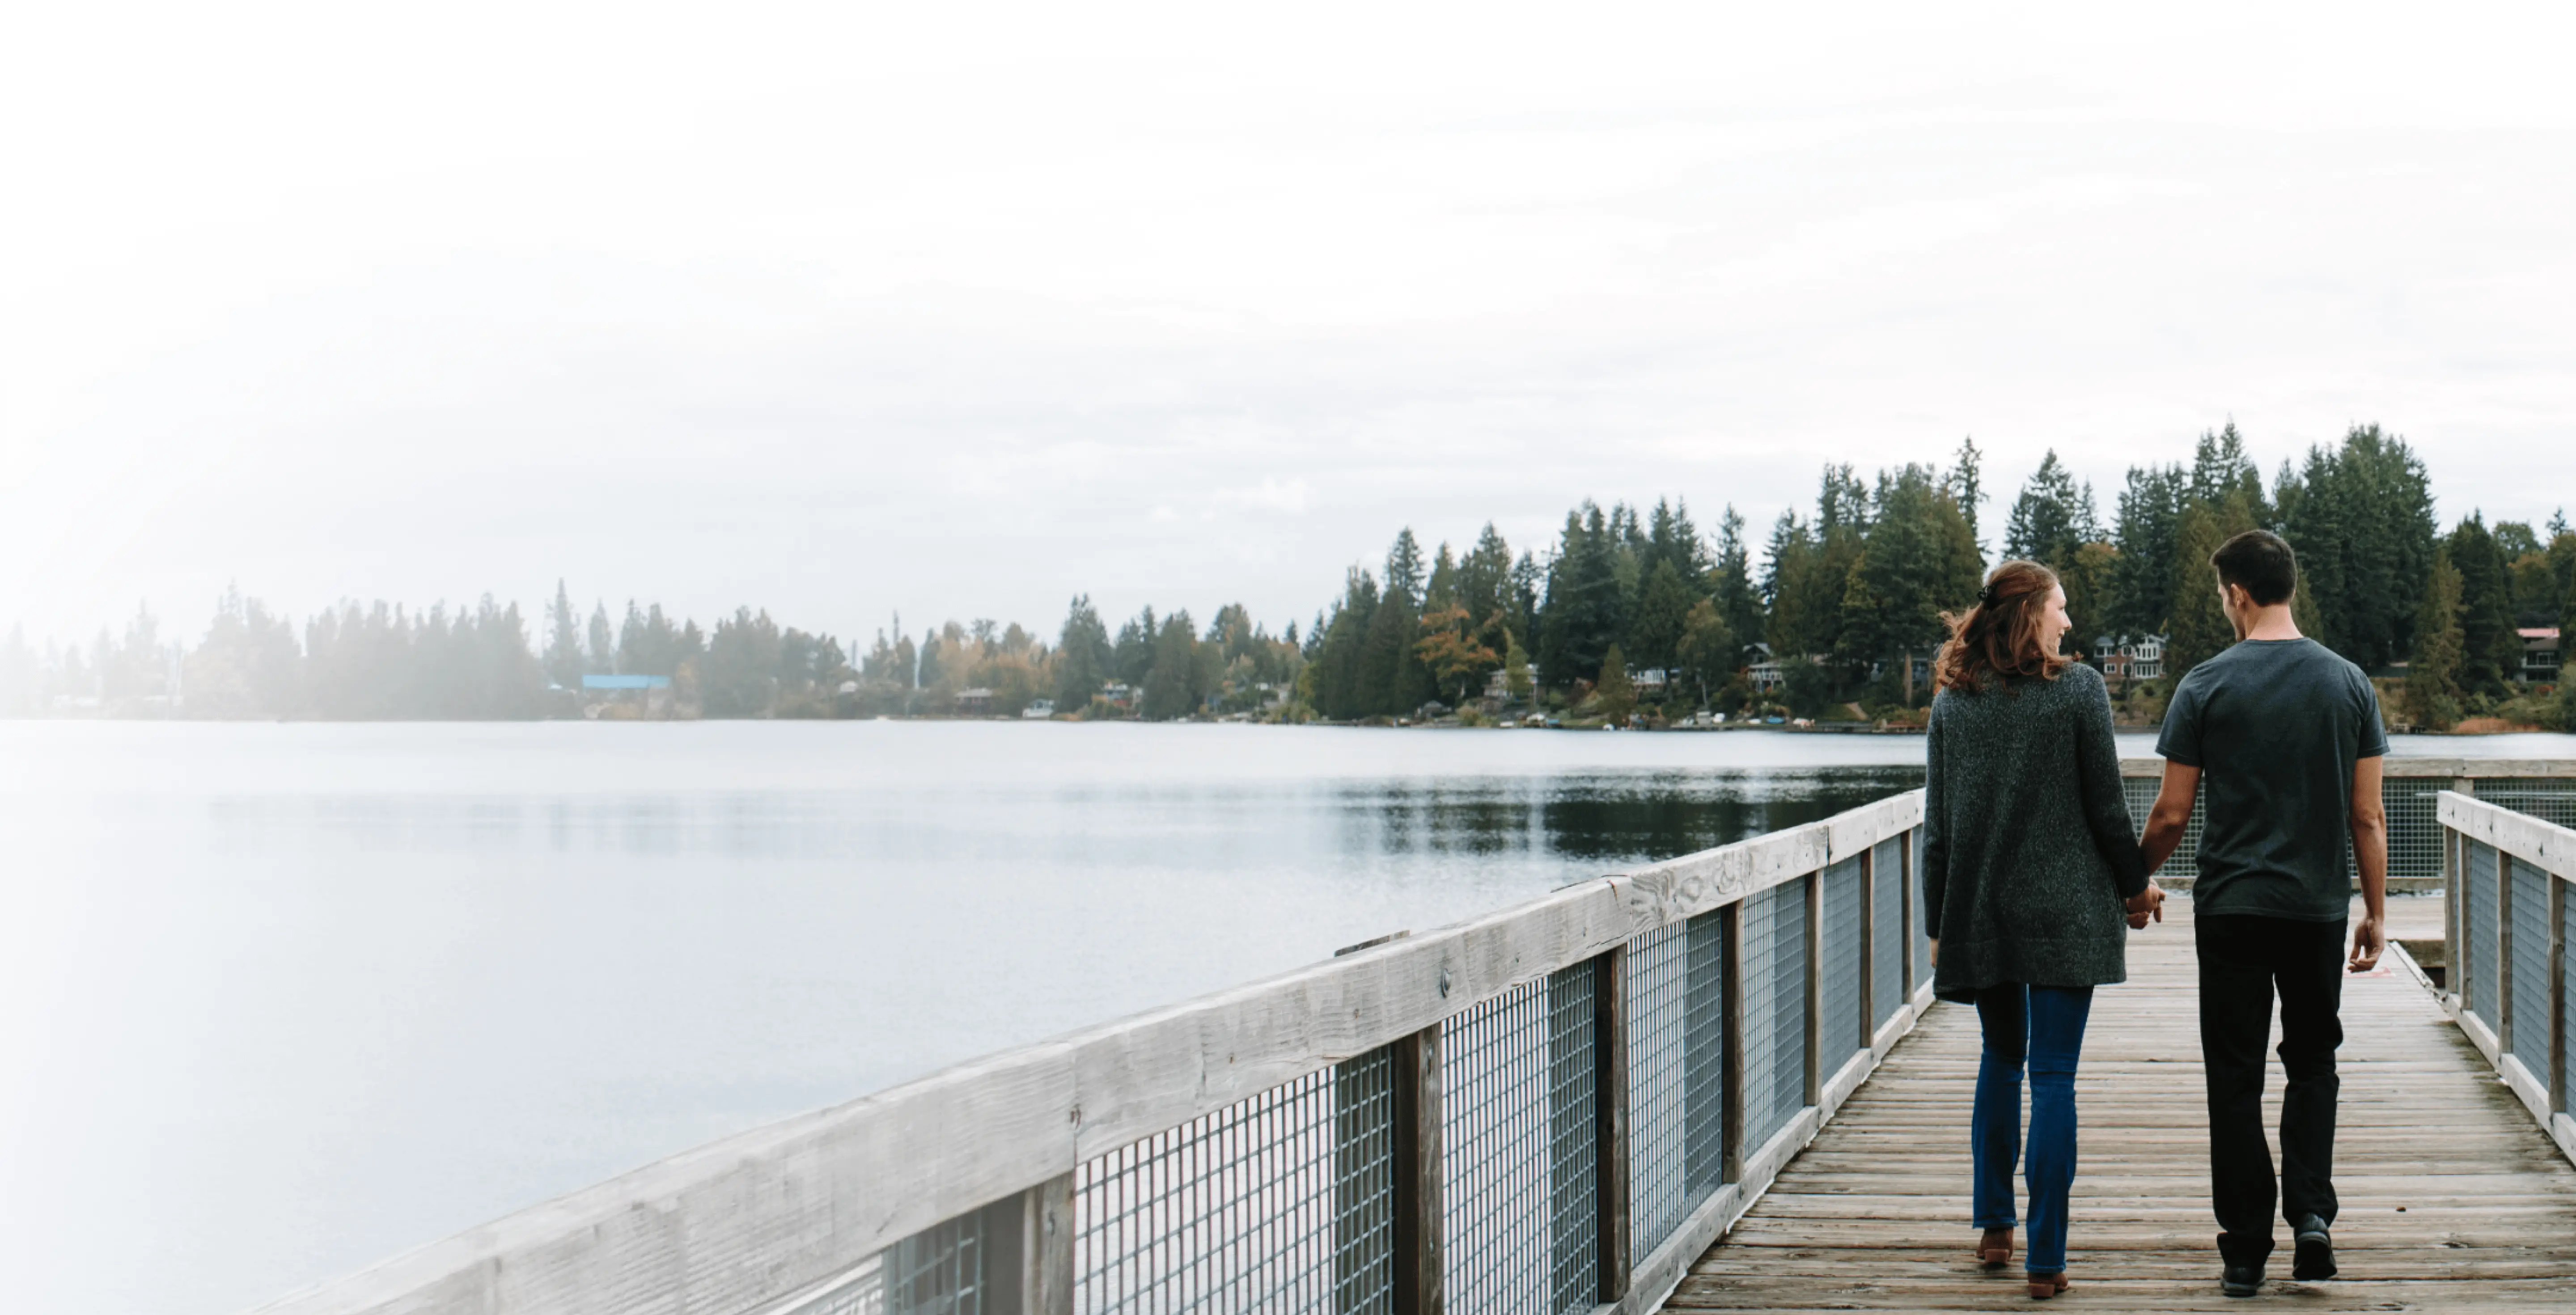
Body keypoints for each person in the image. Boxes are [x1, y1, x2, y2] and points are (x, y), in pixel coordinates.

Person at [2140, 528, 2388, 1298]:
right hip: (2315, 909)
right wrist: (2375, 911)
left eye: (2222, 595)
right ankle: (2311, 1219)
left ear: (2239, 593)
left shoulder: (2206, 684)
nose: (2224, 607)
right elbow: (2368, 816)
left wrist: (2130, 877)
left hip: (2232, 909)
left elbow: (2172, 815)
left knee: (2236, 1074)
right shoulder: (2349, 683)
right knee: (2314, 1062)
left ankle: (2245, 1249)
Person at [1922, 559, 2161, 1300]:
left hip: (1983, 909)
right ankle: (2046, 1260)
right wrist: (2136, 888)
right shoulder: (2079, 692)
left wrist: (1939, 924)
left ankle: (1995, 1227)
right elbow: (2107, 810)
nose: (2069, 623)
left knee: (2001, 1057)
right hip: (2065, 912)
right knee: (2052, 1076)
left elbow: (1939, 833)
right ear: (2031, 613)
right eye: (2061, 608)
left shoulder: (1952, 704)